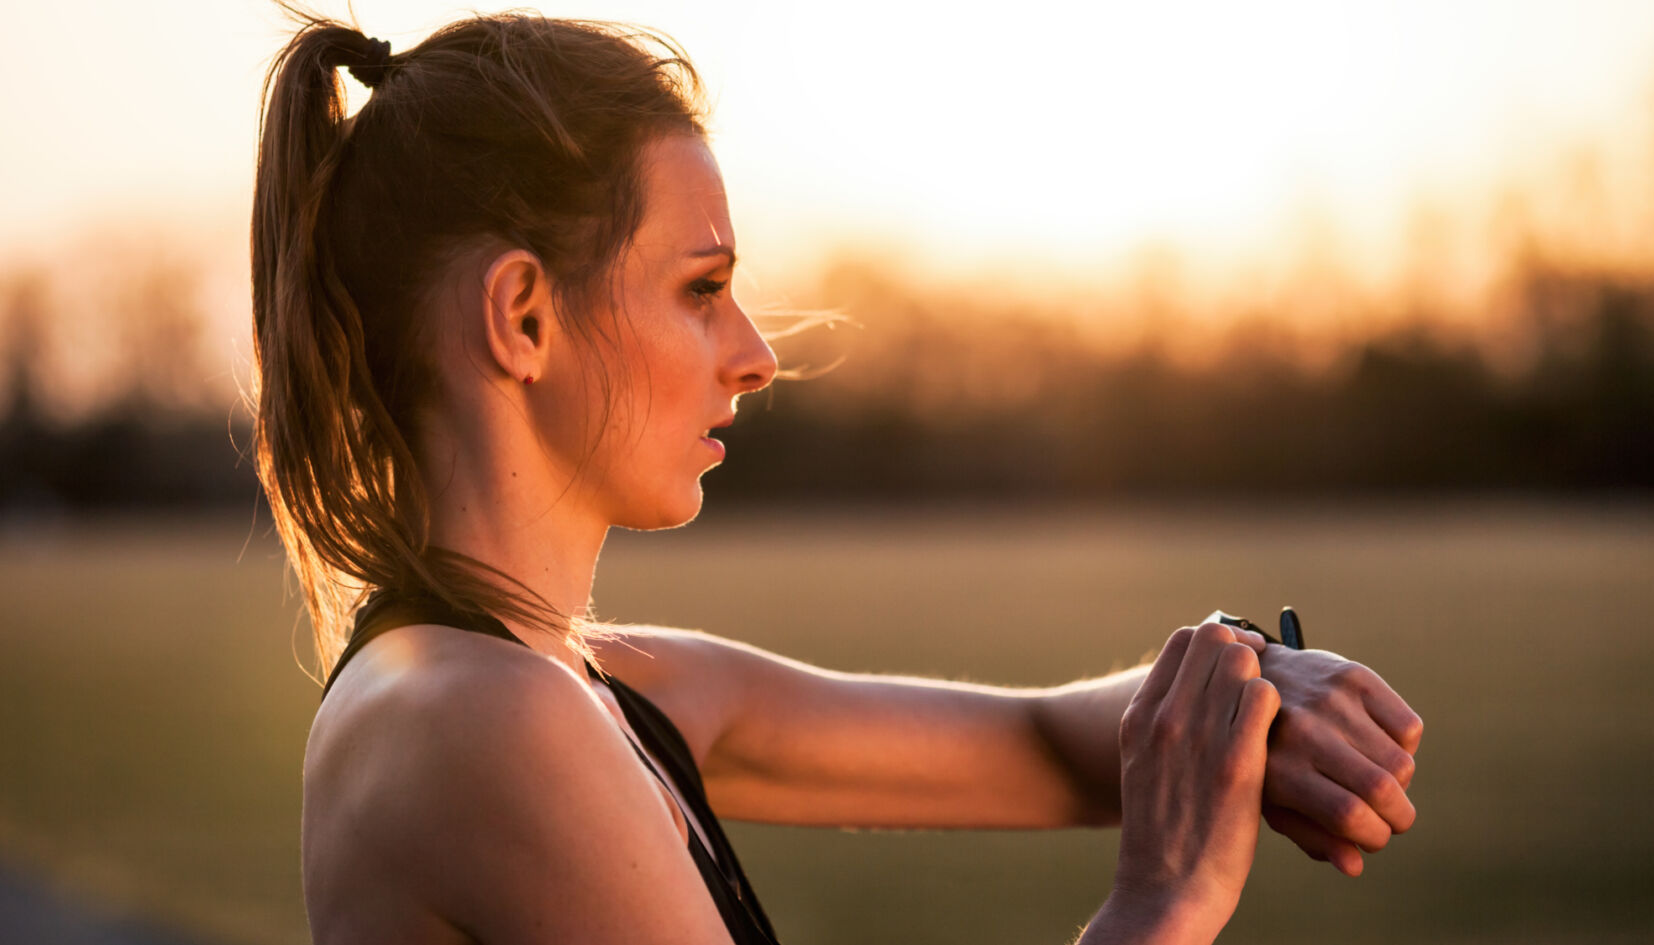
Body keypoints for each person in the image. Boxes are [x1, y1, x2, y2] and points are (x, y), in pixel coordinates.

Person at [250, 10, 1424, 944]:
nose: (756, 356)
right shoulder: (478, 719)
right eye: (701, 290)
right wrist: (1160, 910)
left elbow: (1038, 743)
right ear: (523, 315)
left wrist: (1251, 679)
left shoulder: (596, 687)